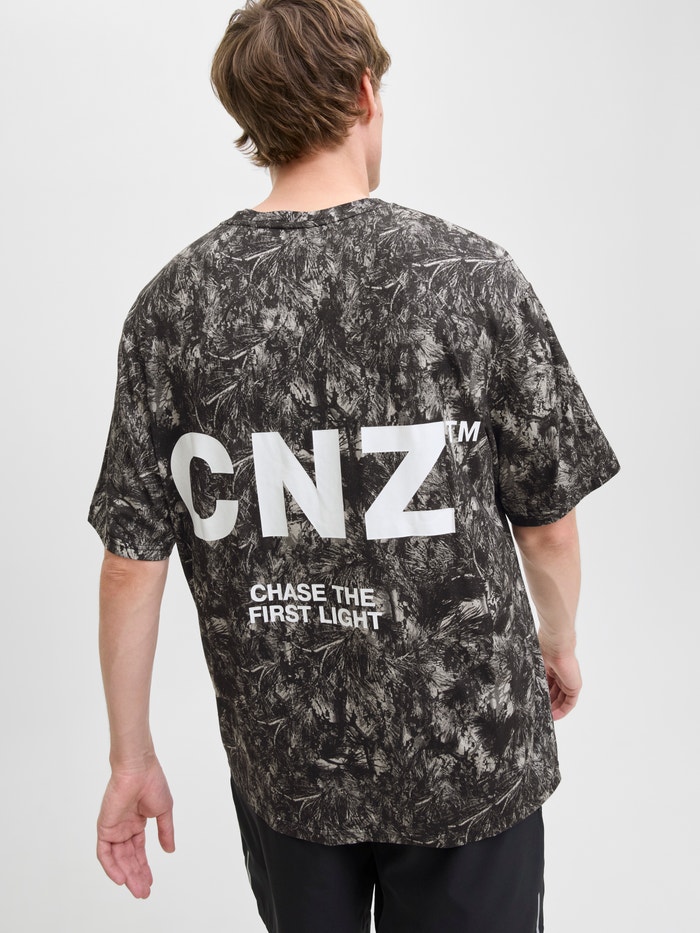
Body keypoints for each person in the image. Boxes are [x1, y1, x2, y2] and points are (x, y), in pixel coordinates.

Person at [88, 1, 621, 930]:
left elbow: (132, 562)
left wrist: (130, 757)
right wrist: (557, 642)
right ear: (366, 92)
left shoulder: (172, 308)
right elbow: (548, 526)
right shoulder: (470, 278)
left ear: (251, 119)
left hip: (288, 764)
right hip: (468, 752)